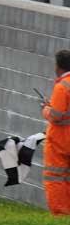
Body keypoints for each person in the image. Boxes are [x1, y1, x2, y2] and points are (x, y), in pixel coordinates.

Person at [41, 50, 70, 215]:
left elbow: (56, 116)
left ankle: (60, 213)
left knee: (55, 177)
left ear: (58, 66)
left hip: (61, 140)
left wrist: (46, 109)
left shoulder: (62, 86)